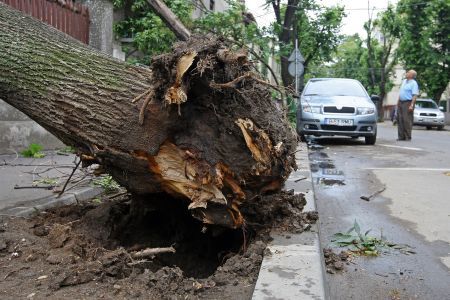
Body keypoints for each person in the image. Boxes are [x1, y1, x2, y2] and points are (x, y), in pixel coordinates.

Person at [397, 70, 419, 140]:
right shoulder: (404, 81)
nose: (407, 73)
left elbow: (414, 95)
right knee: (400, 119)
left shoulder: (414, 83)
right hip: (401, 102)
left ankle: (407, 136)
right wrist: (398, 101)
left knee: (406, 120)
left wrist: (412, 105)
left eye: (408, 72)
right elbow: (401, 92)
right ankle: (401, 136)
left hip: (408, 102)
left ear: (412, 75)